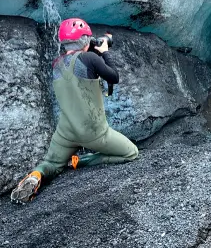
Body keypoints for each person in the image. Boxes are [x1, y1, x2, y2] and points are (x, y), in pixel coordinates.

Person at [11, 18, 139, 203]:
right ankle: (80, 161)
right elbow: (114, 76)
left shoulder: (57, 64)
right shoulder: (91, 58)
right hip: (93, 132)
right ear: (85, 39)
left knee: (51, 164)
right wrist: (104, 52)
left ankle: (35, 176)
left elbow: (79, 67)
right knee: (131, 152)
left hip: (66, 131)